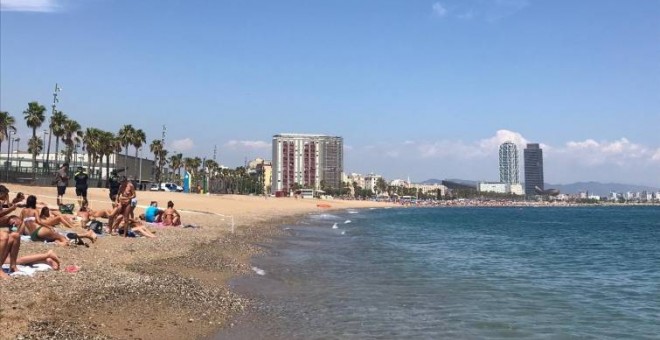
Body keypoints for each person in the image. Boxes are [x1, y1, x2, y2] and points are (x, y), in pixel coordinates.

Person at [19, 195, 96, 245]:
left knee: (55, 238)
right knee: (62, 237)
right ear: (34, 202)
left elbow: (20, 222)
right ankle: (85, 235)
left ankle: (85, 235)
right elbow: (38, 222)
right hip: (39, 230)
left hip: (33, 236)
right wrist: (49, 227)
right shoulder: (35, 210)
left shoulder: (23, 211)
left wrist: (18, 233)